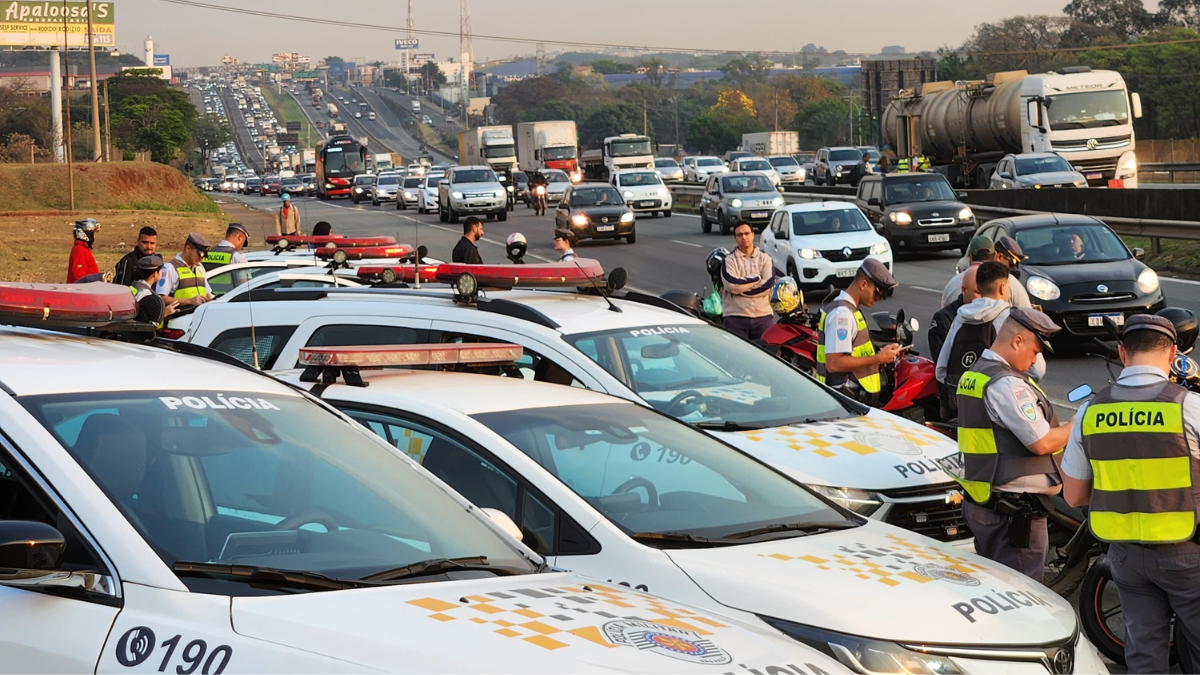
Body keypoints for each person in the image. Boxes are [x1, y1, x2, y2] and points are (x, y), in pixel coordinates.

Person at [1062, 315, 1200, 674]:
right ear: (1172, 354)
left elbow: (1074, 495)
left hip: (1124, 557)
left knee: (1143, 653)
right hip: (1188, 554)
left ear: (1122, 353)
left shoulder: (1089, 412)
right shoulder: (1188, 407)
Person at [953, 307, 1073, 581]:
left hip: (987, 501)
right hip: (1013, 513)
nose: (1034, 361)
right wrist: (1073, 426)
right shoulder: (1007, 384)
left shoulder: (976, 374)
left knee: (995, 588)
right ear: (1017, 341)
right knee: (1023, 597)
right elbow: (1041, 442)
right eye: (1034, 351)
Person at [936, 262, 1047, 418]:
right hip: (999, 408)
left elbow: (941, 370)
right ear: (1003, 288)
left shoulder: (961, 317)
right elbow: (1037, 369)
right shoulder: (1012, 319)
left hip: (962, 408)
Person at [815, 258, 900, 400]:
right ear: (863, 284)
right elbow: (834, 363)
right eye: (877, 293)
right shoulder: (842, 315)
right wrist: (878, 358)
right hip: (843, 396)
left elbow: (855, 348)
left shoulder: (849, 309)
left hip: (845, 395)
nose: (878, 299)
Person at [930, 264, 982, 409]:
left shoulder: (989, 315)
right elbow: (944, 366)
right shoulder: (944, 319)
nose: (982, 299)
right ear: (964, 290)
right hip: (955, 399)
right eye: (978, 293)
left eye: (984, 293)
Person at [941, 235, 1031, 309]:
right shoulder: (1009, 281)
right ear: (996, 255)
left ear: (971, 256)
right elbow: (1027, 314)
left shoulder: (952, 284)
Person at [719, 222, 775, 341]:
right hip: (736, 317)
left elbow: (768, 284)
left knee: (766, 356)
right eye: (739, 235)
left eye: (746, 233)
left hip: (762, 316)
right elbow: (732, 285)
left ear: (753, 235)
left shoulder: (765, 258)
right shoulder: (729, 261)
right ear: (735, 238)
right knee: (737, 356)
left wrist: (742, 290)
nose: (744, 237)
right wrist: (756, 278)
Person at [156, 232, 215, 307]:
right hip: (179, 316)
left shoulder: (200, 267)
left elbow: (207, 294)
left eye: (203, 257)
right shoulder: (170, 268)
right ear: (188, 249)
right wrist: (189, 301)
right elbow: (161, 298)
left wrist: (216, 300)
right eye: (199, 255)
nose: (201, 259)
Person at [129, 254, 176, 325]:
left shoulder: (133, 286)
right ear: (155, 273)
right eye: (160, 270)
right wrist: (164, 312)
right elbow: (143, 319)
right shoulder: (146, 294)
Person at [67, 218, 101, 283]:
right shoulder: (80, 250)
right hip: (82, 291)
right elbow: (79, 277)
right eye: (92, 234)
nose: (94, 237)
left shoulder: (83, 249)